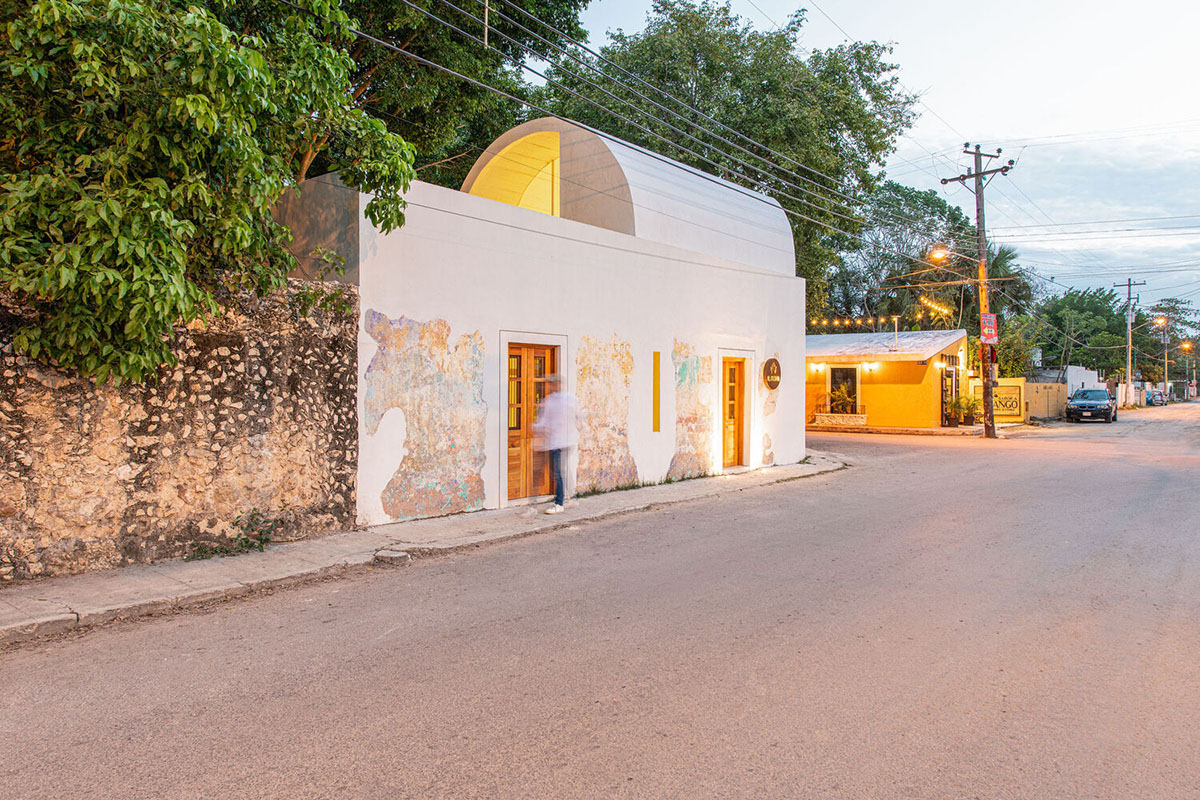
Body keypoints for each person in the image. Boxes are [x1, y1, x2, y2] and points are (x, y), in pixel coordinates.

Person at [532, 374, 577, 515]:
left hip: (563, 441)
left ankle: (559, 503)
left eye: (552, 384)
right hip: (554, 442)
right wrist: (535, 427)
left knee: (558, 472)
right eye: (549, 384)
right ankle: (572, 498)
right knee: (561, 471)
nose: (551, 386)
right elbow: (544, 421)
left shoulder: (569, 399)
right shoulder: (549, 401)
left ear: (558, 384)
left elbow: (579, 415)